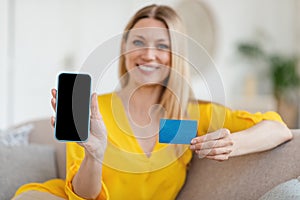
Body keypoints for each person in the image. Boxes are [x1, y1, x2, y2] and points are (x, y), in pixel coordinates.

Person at [14, 4, 292, 200]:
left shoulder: (190, 115)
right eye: (138, 42)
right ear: (124, 49)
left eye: (162, 46)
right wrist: (94, 154)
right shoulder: (96, 111)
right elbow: (84, 194)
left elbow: (278, 129)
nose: (149, 54)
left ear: (176, 55)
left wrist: (233, 144)